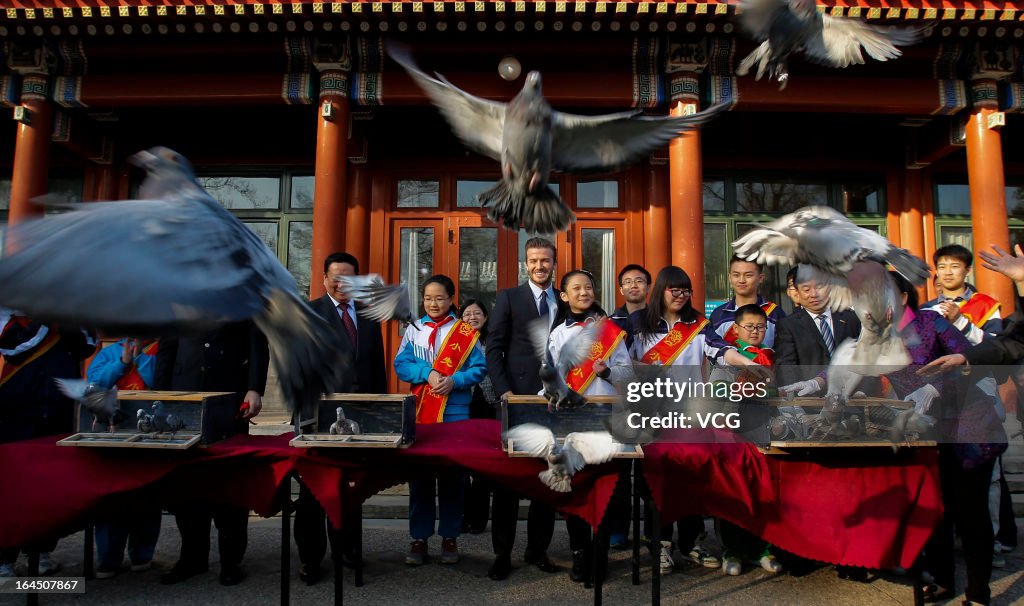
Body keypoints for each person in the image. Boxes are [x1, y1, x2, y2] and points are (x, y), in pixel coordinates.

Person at [630, 266, 762, 575]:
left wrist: (746, 362)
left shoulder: (698, 324)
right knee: (657, 480)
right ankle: (659, 545)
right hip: (651, 414)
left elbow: (719, 350)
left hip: (689, 412)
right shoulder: (638, 324)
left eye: (685, 290)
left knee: (692, 477)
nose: (680, 295)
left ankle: (691, 542)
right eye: (673, 289)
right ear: (660, 289)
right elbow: (619, 360)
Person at [888, 269, 1003, 606]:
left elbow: (970, 364)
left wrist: (934, 387)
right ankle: (942, 581)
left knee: (970, 512)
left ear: (904, 297)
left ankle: (979, 593)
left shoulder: (931, 323)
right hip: (926, 434)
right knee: (932, 511)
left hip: (970, 427)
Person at [154, 321, 269, 586]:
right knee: (187, 486)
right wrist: (158, 397)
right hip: (183, 399)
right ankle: (192, 558)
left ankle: (231, 561)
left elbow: (258, 345)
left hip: (230, 400)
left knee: (229, 484)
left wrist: (254, 388)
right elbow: (167, 348)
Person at [921, 244, 1015, 559]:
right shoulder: (927, 308)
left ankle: (993, 540)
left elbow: (998, 348)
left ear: (967, 270)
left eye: (955, 266)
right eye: (942, 266)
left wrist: (962, 322)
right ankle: (954, 539)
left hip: (979, 390)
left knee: (987, 474)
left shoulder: (986, 306)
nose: (948, 272)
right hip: (941, 395)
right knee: (945, 471)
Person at [486, 237, 565, 581]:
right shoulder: (509, 298)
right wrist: (503, 390)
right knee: (506, 482)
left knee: (546, 480)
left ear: (553, 263)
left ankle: (538, 549)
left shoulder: (564, 299)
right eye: (533, 260)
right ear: (525, 263)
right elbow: (494, 347)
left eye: (545, 260)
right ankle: (502, 553)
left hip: (554, 403)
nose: (539, 266)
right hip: (516, 399)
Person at [294, 252, 375, 585]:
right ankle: (311, 560)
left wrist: (379, 412)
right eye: (336, 276)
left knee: (352, 488)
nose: (342, 283)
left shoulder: (369, 315)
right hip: (319, 416)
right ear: (325, 278)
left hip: (360, 417)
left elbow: (374, 368)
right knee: (313, 493)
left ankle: (348, 551)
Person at [395, 275, 485, 566]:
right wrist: (428, 373)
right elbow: (401, 364)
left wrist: (455, 380)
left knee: (452, 478)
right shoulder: (414, 329)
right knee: (419, 479)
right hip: (421, 413)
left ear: (450, 300)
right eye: (428, 298)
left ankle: (450, 536)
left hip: (455, 414)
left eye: (440, 298)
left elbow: (479, 369)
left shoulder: (465, 332)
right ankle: (419, 538)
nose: (434, 303)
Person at [547, 269, 631, 582]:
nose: (584, 292)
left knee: (606, 489)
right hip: (572, 423)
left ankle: (600, 553)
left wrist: (608, 372)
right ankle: (579, 552)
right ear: (565, 296)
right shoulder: (558, 334)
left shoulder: (612, 331)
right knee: (577, 489)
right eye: (576, 288)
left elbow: (629, 378)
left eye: (589, 287)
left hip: (609, 419)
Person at [0, 311, 96, 578]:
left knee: (49, 486)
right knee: (12, 487)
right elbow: (12, 347)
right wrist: (46, 315)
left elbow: (86, 346)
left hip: (58, 408)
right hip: (16, 412)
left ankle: (41, 551)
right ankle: (4, 557)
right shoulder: (11, 314)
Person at [708, 305, 784, 576]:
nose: (754, 331)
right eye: (748, 327)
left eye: (760, 327)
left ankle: (762, 548)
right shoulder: (730, 357)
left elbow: (776, 393)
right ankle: (732, 550)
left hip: (764, 431)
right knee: (733, 493)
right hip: (733, 434)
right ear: (736, 329)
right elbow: (715, 390)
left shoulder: (768, 356)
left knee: (765, 492)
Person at [86, 338, 162, 579]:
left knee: (147, 495)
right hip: (113, 434)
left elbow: (161, 383)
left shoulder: (160, 350)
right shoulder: (108, 353)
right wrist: (122, 363)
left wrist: (140, 359)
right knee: (113, 497)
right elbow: (94, 385)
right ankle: (108, 558)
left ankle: (142, 554)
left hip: (151, 434)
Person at [605, 264, 651, 549]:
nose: (634, 286)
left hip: (653, 402)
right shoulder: (610, 322)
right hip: (620, 403)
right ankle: (617, 529)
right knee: (619, 471)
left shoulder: (661, 320)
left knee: (650, 470)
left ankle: (653, 531)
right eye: (628, 282)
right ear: (620, 289)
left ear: (648, 286)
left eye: (640, 281)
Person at [774, 265, 862, 394]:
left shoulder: (851, 318)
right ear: (797, 294)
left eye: (819, 287)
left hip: (854, 397)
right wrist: (794, 401)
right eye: (806, 289)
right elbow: (787, 367)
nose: (814, 294)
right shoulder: (788, 325)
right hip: (812, 400)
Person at [461, 299, 497, 534]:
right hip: (462, 405)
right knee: (463, 465)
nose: (472, 317)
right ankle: (463, 516)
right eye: (466, 314)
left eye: (477, 313)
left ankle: (478, 519)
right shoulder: (453, 342)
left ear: (485, 317)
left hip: (488, 404)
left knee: (483, 467)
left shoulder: (492, 342)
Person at [710, 256, 785, 348]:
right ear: (729, 277)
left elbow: (783, 350)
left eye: (748, 275)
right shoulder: (718, 315)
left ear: (760, 278)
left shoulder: (774, 313)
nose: (741, 280)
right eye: (736, 275)